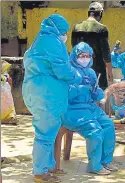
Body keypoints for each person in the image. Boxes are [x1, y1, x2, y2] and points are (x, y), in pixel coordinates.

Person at [22, 14, 82, 182]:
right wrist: (77, 76)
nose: (65, 35)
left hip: (35, 91)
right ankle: (40, 172)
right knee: (45, 134)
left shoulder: (39, 41)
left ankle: (47, 167)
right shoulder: (53, 43)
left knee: (46, 132)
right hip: (47, 94)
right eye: (64, 31)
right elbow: (62, 70)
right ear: (57, 30)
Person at [62, 42, 117, 175]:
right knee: (95, 130)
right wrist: (81, 88)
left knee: (109, 125)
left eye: (88, 55)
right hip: (72, 110)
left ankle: (105, 161)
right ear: (75, 56)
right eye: (81, 55)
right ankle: (94, 166)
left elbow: (96, 90)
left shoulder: (91, 72)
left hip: (90, 108)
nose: (85, 58)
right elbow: (64, 93)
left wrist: (98, 94)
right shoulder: (68, 71)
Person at [71, 2, 113, 89]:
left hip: (80, 70)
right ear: (100, 14)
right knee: (99, 97)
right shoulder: (102, 29)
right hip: (98, 71)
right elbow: (106, 54)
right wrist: (110, 73)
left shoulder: (76, 27)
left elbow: (74, 49)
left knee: (82, 95)